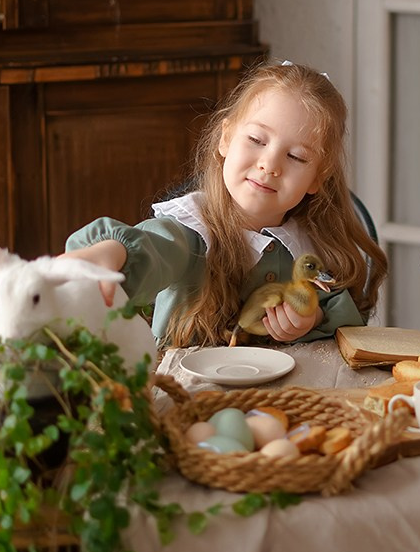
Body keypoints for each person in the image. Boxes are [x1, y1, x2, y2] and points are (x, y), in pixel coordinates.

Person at [65, 61, 388, 348]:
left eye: (296, 157)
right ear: (225, 139)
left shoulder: (309, 248)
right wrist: (112, 252)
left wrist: (313, 318)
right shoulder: (192, 231)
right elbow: (153, 248)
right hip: (188, 400)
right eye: (256, 140)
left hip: (285, 401)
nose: (270, 164)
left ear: (318, 178)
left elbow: (348, 323)